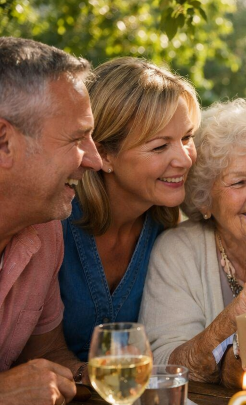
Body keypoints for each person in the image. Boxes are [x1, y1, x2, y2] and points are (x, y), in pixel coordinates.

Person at [140, 99, 246, 388]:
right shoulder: (179, 252)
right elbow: (165, 365)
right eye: (240, 182)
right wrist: (233, 317)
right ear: (205, 198)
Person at [59, 57, 200, 361]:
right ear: (104, 154)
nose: (185, 159)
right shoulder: (54, 223)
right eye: (160, 146)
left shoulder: (167, 231)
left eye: (186, 138)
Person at [0, 37, 102, 405]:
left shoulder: (45, 231)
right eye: (77, 139)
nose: (95, 160)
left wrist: (99, 378)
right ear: (4, 142)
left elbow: (48, 357)